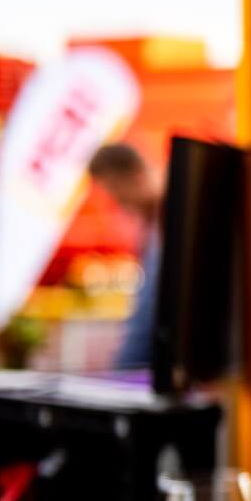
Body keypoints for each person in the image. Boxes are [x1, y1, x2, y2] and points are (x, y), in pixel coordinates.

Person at [89, 142, 164, 369]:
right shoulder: (151, 222)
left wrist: (124, 367)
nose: (117, 202)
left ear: (135, 175)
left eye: (116, 189)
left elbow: (149, 311)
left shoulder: (171, 217)